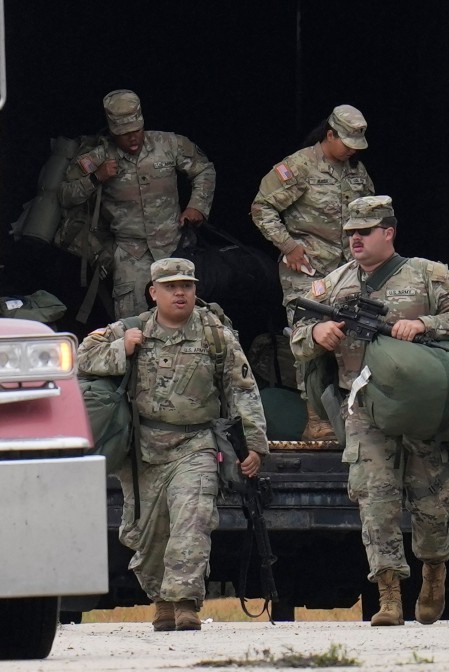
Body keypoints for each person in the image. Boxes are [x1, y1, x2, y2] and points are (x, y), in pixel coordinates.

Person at [290, 195, 449, 626]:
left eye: (365, 231)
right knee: (374, 499)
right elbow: (298, 338)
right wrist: (318, 332)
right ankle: (389, 594)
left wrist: (424, 325)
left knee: (433, 502)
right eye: (351, 233)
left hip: (420, 409)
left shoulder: (429, 275)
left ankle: (433, 572)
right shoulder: (334, 283)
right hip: (363, 407)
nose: (356, 239)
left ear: (388, 232)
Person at [76, 257, 268, 632]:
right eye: (171, 287)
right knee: (146, 533)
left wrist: (255, 446)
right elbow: (82, 355)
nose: (180, 293)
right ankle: (161, 599)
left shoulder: (216, 336)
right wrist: (121, 349)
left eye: (187, 286)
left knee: (192, 520)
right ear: (153, 292)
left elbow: (243, 390)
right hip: (143, 448)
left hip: (195, 443)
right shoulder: (133, 329)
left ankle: (185, 602)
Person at [251, 104, 375, 440]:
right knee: (309, 338)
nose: (351, 149)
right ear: (330, 134)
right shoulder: (299, 166)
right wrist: (288, 246)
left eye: (356, 144)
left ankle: (351, 416)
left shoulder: (356, 171)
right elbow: (262, 208)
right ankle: (315, 420)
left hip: (348, 271)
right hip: (309, 271)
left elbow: (370, 215)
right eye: (346, 141)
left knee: (351, 340)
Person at [60, 90, 216, 319]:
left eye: (137, 131)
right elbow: (65, 196)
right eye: (124, 134)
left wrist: (197, 206)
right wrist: (95, 178)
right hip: (130, 257)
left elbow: (204, 169)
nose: (132, 138)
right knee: (133, 330)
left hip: (175, 247)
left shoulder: (169, 144)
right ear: (113, 132)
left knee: (186, 322)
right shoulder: (98, 157)